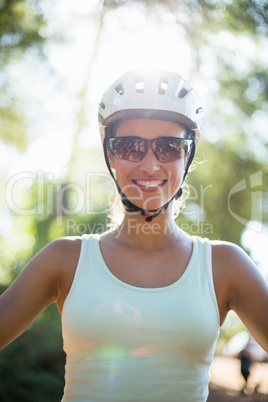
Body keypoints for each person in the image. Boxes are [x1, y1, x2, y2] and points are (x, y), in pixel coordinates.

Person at [0, 70, 268, 402]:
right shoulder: (64, 259)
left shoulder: (225, 265)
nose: (151, 165)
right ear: (109, 152)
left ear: (188, 154)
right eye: (130, 146)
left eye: (169, 147)